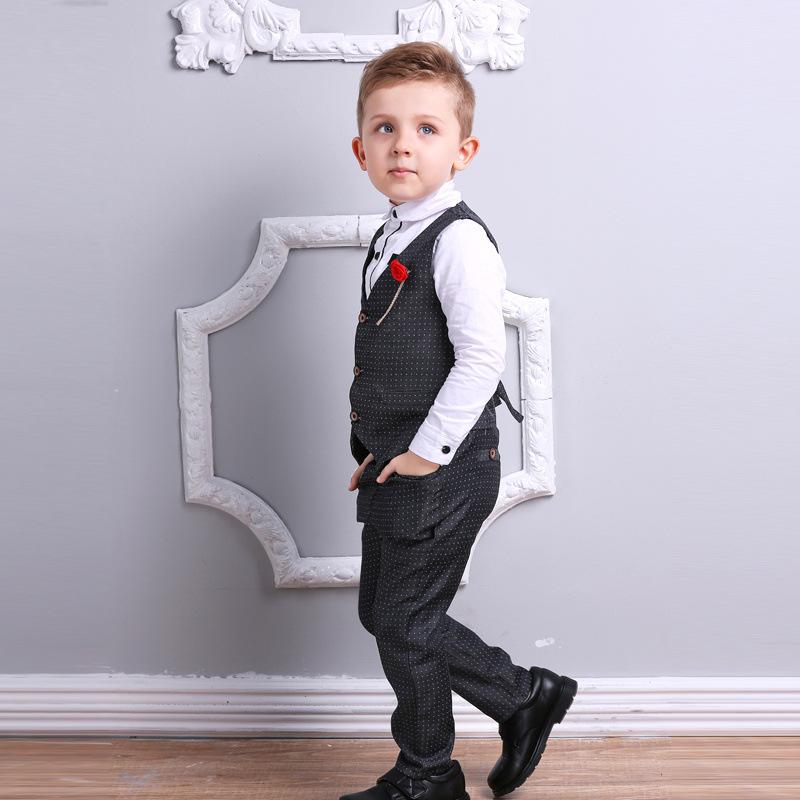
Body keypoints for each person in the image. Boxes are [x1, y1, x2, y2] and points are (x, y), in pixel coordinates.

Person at [342, 41, 577, 800]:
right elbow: (396, 353)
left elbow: (479, 360)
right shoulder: (393, 232)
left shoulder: (459, 240)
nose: (402, 144)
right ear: (361, 150)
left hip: (445, 467)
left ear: (462, 151)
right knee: (385, 614)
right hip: (400, 460)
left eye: (426, 129)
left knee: (408, 624)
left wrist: (425, 453)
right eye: (384, 128)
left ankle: (428, 775)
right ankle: (522, 697)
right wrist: (376, 449)